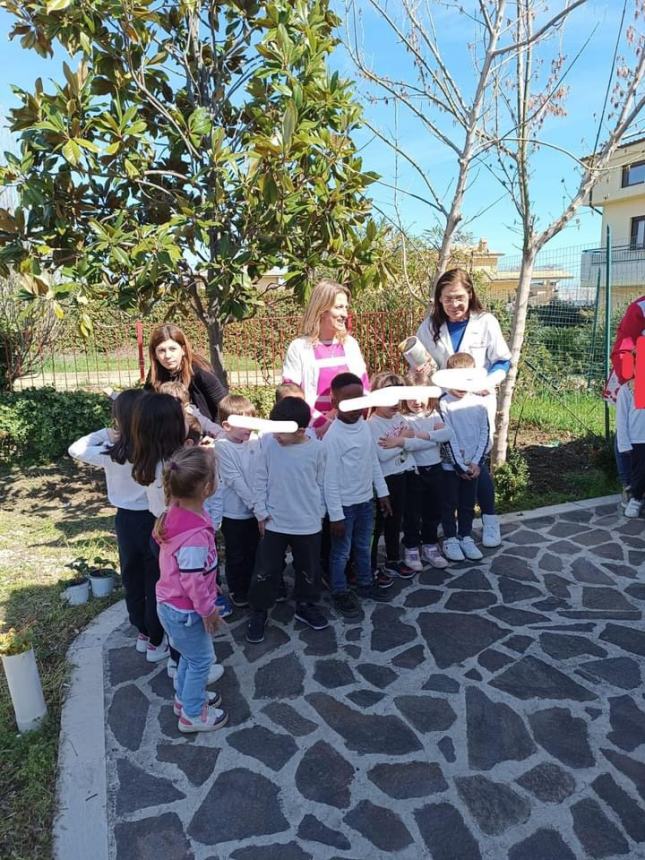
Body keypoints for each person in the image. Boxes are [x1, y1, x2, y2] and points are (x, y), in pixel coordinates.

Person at [131, 392, 225, 678]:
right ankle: (191, 664)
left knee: (173, 597)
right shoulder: (179, 464)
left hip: (165, 534)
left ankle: (177, 659)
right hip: (182, 538)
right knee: (186, 604)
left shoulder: (149, 458)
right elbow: (194, 576)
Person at [415, 268, 510, 547]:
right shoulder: (430, 326)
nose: (453, 305)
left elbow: (503, 361)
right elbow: (421, 363)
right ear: (438, 300)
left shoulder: (486, 321)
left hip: (477, 402)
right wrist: (421, 369)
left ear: (470, 294)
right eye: (446, 299)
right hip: (446, 405)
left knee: (477, 463)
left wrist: (488, 382)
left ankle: (490, 522)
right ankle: (457, 530)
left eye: (458, 297)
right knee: (451, 464)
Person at [68, 390, 164, 656]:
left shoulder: (112, 452)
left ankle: (143, 631)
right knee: (154, 578)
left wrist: (105, 433)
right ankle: (157, 639)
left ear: (119, 420)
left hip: (125, 520)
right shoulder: (155, 449)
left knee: (131, 575)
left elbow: (74, 448)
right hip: (153, 519)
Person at [154, 446, 228, 733]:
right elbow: (193, 581)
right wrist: (208, 611)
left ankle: (185, 699)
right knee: (201, 660)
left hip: (172, 607)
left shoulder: (176, 512)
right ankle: (193, 715)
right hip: (185, 610)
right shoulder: (194, 537)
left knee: (189, 655)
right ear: (208, 487)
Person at [246, 397, 329, 643]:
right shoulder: (269, 446)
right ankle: (259, 610)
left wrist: (321, 512)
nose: (276, 437)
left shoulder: (317, 450)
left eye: (281, 432)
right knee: (266, 569)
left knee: (309, 568)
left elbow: (323, 483)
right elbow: (259, 479)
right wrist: (260, 511)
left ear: (301, 430)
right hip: (275, 522)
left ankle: (306, 604)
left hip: (308, 523)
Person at [323, 373, 392, 618]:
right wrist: (336, 516)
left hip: (365, 502)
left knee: (364, 546)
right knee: (341, 552)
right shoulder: (333, 437)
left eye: (359, 400)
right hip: (344, 508)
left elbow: (372, 461)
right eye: (347, 402)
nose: (355, 408)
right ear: (334, 402)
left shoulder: (364, 427)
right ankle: (339, 590)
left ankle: (365, 583)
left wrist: (382, 493)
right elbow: (328, 481)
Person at [282, 279, 369, 437]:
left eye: (346, 308)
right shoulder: (299, 347)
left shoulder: (350, 345)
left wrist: (338, 419)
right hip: (312, 433)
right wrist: (321, 425)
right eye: (338, 307)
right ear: (321, 310)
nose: (344, 314)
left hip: (349, 429)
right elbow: (290, 395)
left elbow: (364, 389)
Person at [367, 371, 426, 583]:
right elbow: (381, 454)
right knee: (385, 522)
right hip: (389, 479)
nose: (395, 404)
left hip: (409, 473)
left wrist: (398, 441)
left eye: (398, 397)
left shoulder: (399, 418)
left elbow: (415, 442)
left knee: (402, 519)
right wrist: (404, 440)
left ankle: (393, 559)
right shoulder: (372, 425)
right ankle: (372, 566)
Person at [204, 395, 260, 608]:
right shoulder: (223, 447)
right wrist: (256, 505)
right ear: (226, 425)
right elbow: (235, 480)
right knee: (237, 553)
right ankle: (238, 589)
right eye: (243, 423)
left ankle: (254, 585)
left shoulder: (254, 441)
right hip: (234, 513)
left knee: (254, 550)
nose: (249, 428)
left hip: (254, 511)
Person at [438, 353, 490, 562]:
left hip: (473, 467)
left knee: (468, 504)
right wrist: (460, 467)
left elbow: (484, 433)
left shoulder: (479, 403)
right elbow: (447, 436)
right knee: (449, 503)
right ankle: (450, 538)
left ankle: (465, 536)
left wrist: (476, 463)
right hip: (451, 468)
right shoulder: (443, 403)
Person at [400, 372, 453, 570]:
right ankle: (411, 547)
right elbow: (409, 446)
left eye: (421, 395)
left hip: (435, 470)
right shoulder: (403, 418)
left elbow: (447, 433)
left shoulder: (432, 414)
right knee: (412, 512)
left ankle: (430, 545)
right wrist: (431, 438)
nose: (416, 401)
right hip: (414, 473)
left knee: (433, 510)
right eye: (411, 396)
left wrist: (419, 435)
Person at [604, 295, 645, 503]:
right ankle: (629, 485)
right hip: (635, 377)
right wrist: (631, 378)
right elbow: (623, 348)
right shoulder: (639, 308)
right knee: (627, 431)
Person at [146, 323, 228, 421]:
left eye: (172, 349)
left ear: (183, 350)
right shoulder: (155, 372)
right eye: (161, 350)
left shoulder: (200, 371)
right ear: (154, 354)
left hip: (205, 429)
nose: (167, 355)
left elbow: (224, 405)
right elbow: (146, 405)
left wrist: (215, 433)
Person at [616, 379, 645, 518]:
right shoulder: (626, 390)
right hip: (638, 440)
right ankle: (636, 499)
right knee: (639, 472)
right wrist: (623, 443)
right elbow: (621, 420)